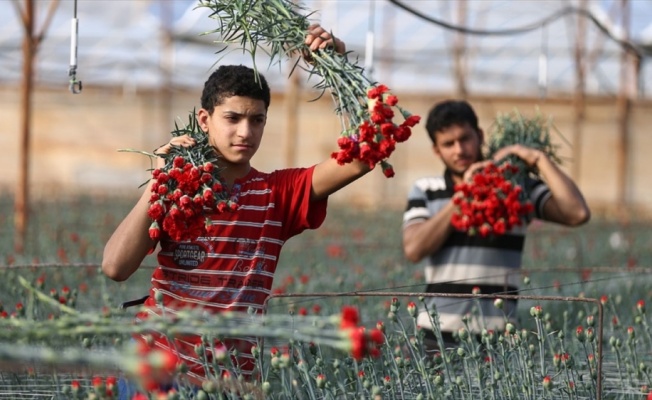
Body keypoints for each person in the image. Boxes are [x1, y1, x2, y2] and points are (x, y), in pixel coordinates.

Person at [102, 25, 371, 388]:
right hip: (155, 371)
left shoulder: (277, 193)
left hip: (230, 382)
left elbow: (364, 156)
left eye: (256, 120)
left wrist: (335, 64)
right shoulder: (181, 187)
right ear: (204, 119)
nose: (245, 132)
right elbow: (116, 267)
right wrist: (159, 180)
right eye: (232, 118)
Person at [402, 100, 590, 351]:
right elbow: (414, 249)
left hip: (498, 337)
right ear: (437, 150)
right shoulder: (426, 189)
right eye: (448, 144)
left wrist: (538, 159)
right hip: (436, 333)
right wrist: (466, 194)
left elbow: (577, 213)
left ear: (479, 136)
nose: (459, 150)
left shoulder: (515, 188)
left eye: (465, 138)